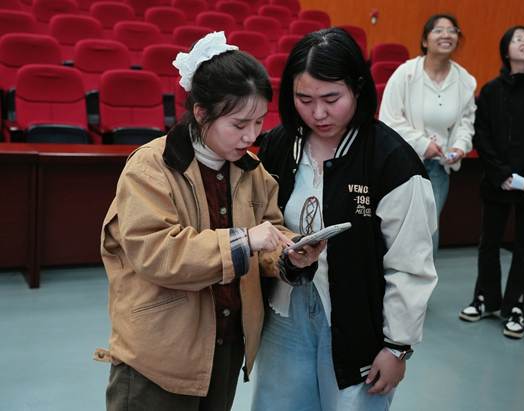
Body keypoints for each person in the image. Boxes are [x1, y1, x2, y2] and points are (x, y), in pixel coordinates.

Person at [96, 31, 323, 411]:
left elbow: (269, 230)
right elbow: (156, 252)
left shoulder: (251, 170)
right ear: (201, 113)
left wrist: (289, 254)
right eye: (239, 124)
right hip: (160, 353)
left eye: (259, 122)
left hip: (226, 346)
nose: (251, 136)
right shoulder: (150, 167)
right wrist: (243, 241)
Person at [251, 27, 438, 411]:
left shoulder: (391, 160)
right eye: (305, 99)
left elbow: (410, 263)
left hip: (357, 320)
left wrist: (397, 346)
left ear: (357, 89)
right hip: (285, 310)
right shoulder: (280, 145)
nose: (318, 113)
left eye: (331, 99)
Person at [459, 26, 524, 339]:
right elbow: (482, 135)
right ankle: (485, 298)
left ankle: (518, 308)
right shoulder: (492, 90)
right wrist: (500, 173)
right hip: (498, 181)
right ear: (505, 50)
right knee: (489, 242)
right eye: (518, 39)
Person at [379, 14, 476, 254]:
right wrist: (422, 144)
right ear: (425, 40)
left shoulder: (465, 80)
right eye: (438, 30)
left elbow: (466, 123)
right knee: (401, 230)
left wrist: (460, 146)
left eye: (452, 30)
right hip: (403, 165)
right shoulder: (405, 74)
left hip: (438, 168)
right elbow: (389, 120)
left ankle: (424, 279)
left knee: (428, 229)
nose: (446, 35)